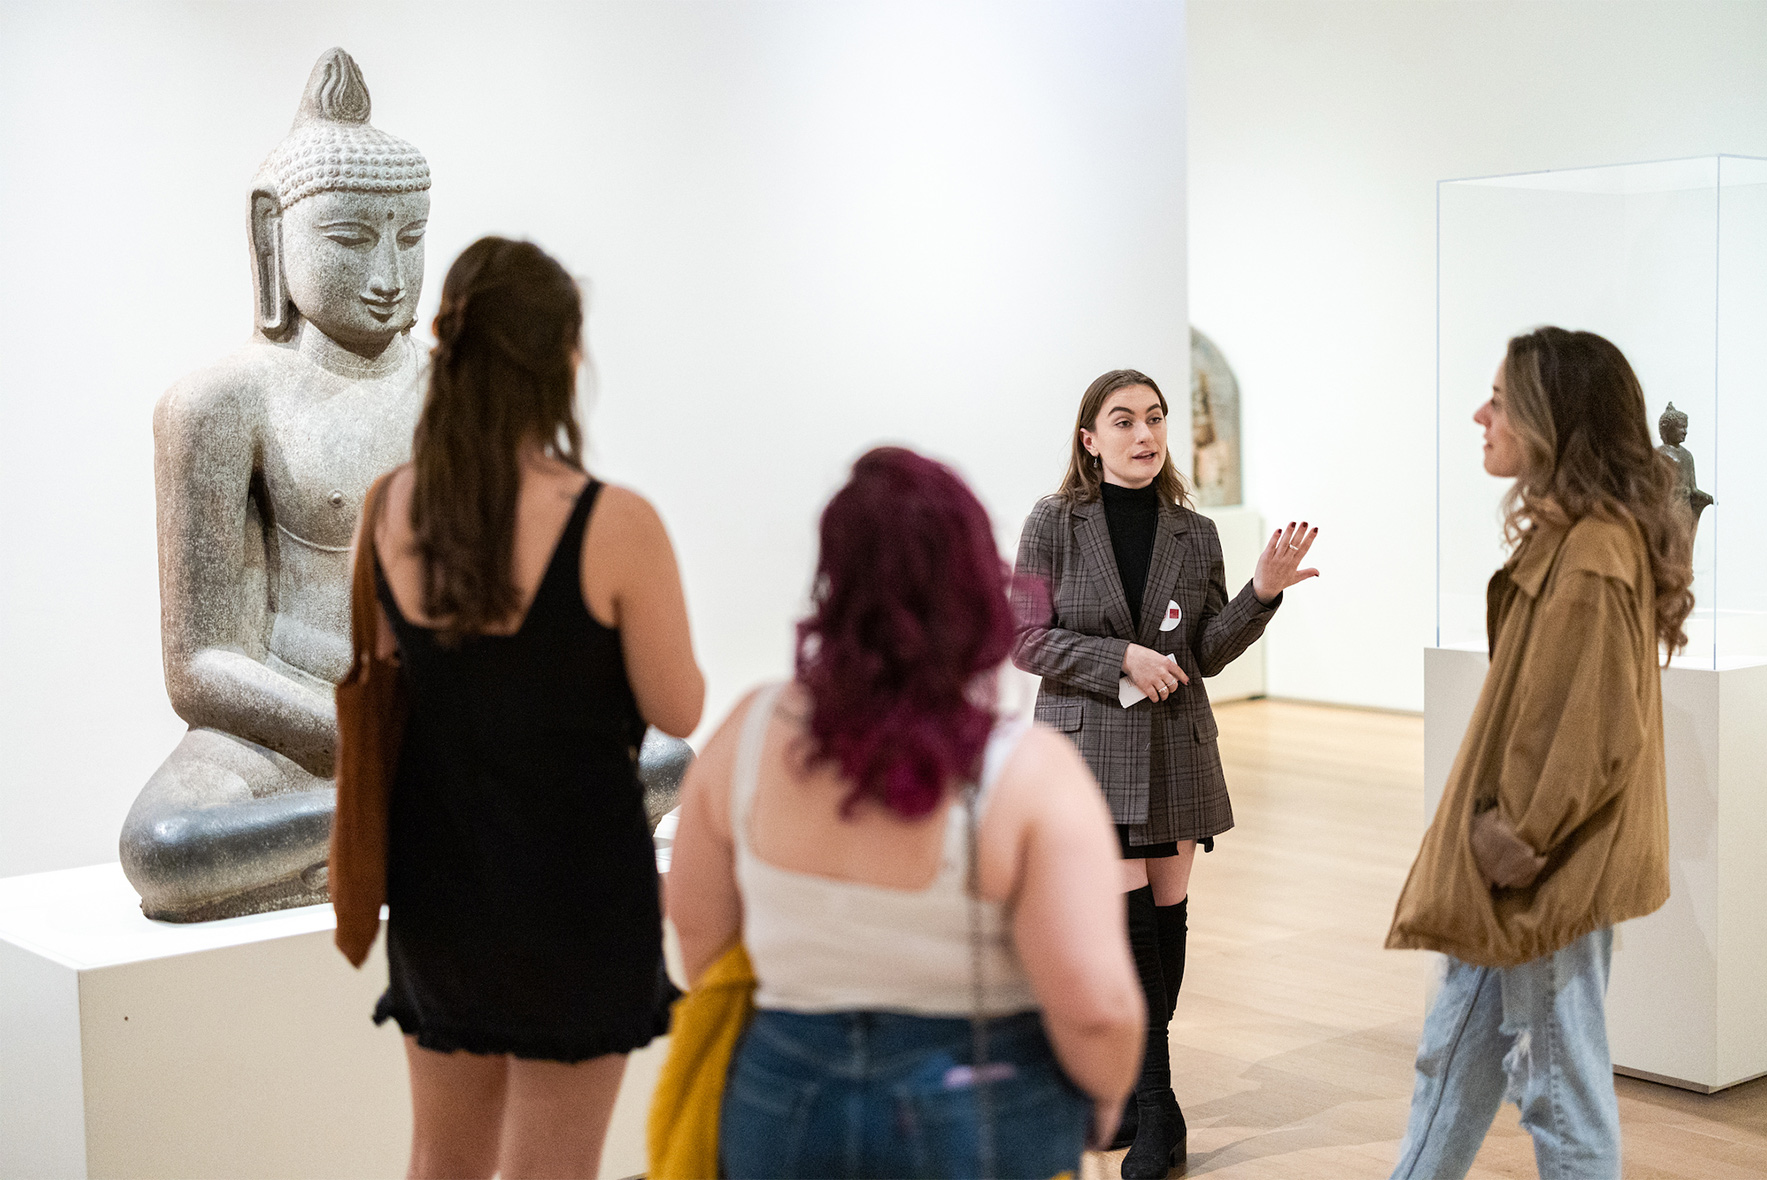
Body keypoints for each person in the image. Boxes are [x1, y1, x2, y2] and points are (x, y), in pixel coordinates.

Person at [667, 447, 1144, 1180]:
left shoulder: (748, 731)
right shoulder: (1028, 770)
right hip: (974, 1104)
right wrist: (1104, 1102)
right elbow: (1094, 1005)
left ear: (834, 583)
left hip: (780, 1096)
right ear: (979, 584)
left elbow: (700, 933)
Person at [361, 237, 705, 1178]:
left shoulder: (391, 509)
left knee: (442, 1158)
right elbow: (678, 706)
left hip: (441, 883)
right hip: (577, 891)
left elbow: (389, 683)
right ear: (563, 358)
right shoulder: (614, 522)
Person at [1385, 327, 1693, 1180]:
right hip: (1520, 865)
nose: (1480, 415)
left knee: (1559, 1093)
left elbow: (1587, 734)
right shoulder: (1571, 537)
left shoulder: (1591, 554)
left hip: (1539, 869)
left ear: (1552, 418)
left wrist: (1506, 840)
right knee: (1451, 1059)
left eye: (1500, 399)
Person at [1010, 368, 1319, 1177]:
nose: (1143, 435)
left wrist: (1261, 592)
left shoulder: (1194, 531)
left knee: (1166, 929)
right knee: (1128, 933)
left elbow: (1208, 651)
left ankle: (1144, 1097)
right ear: (1090, 439)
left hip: (1176, 749)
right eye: (1123, 421)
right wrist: (1120, 659)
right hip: (1087, 755)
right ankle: (1155, 1112)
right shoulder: (1052, 522)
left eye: (1153, 419)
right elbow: (1021, 637)